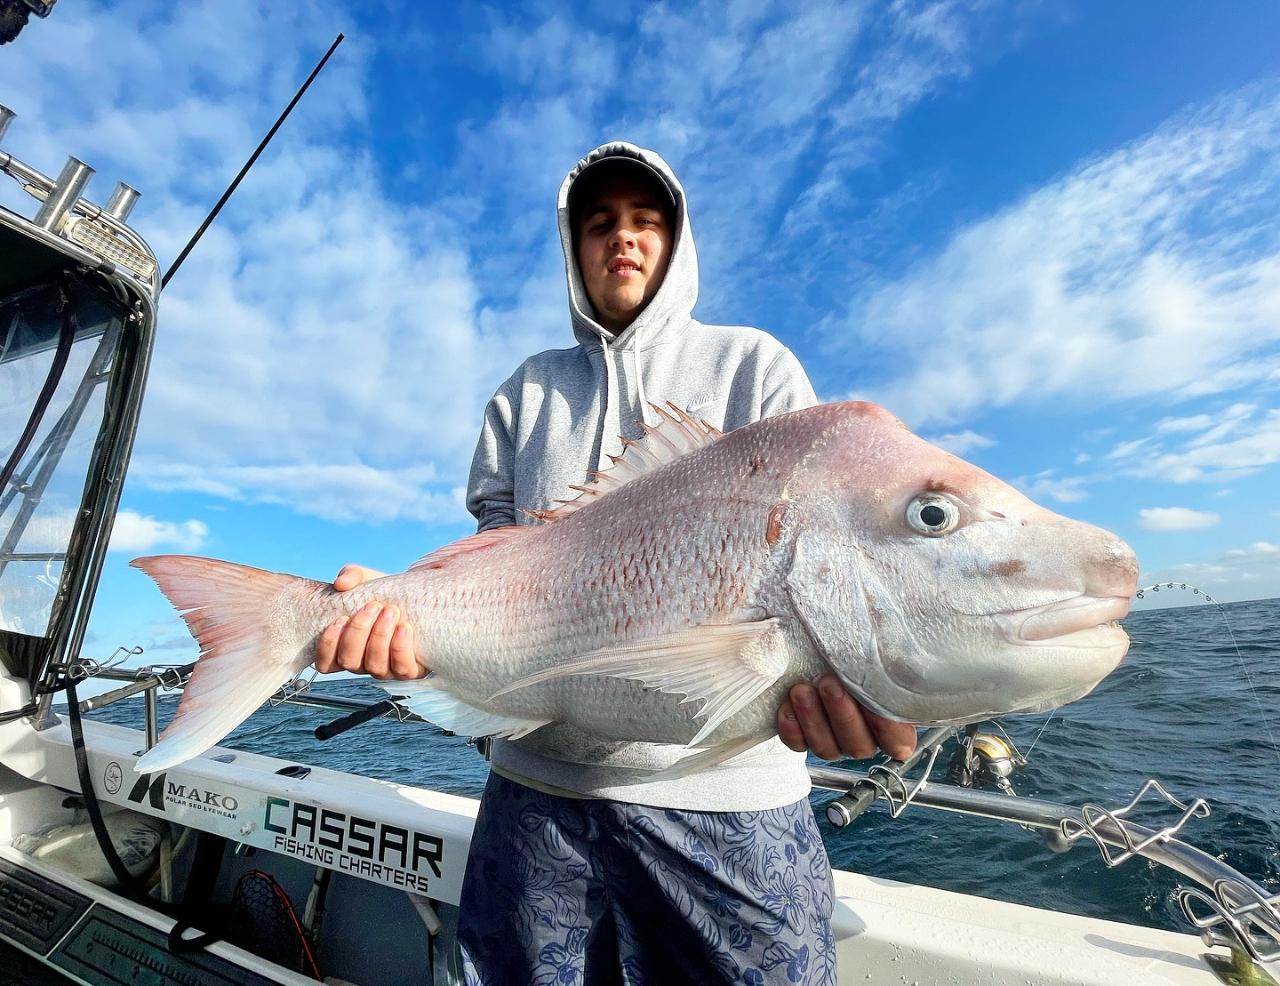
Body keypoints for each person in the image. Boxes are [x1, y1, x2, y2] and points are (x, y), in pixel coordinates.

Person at [314, 142, 916, 984]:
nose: (621, 240)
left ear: (676, 244)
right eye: (599, 225)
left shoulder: (755, 366)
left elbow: (819, 556)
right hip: (535, 794)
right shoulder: (525, 391)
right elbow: (492, 549)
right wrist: (399, 624)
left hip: (727, 800)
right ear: (575, 251)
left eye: (644, 222)